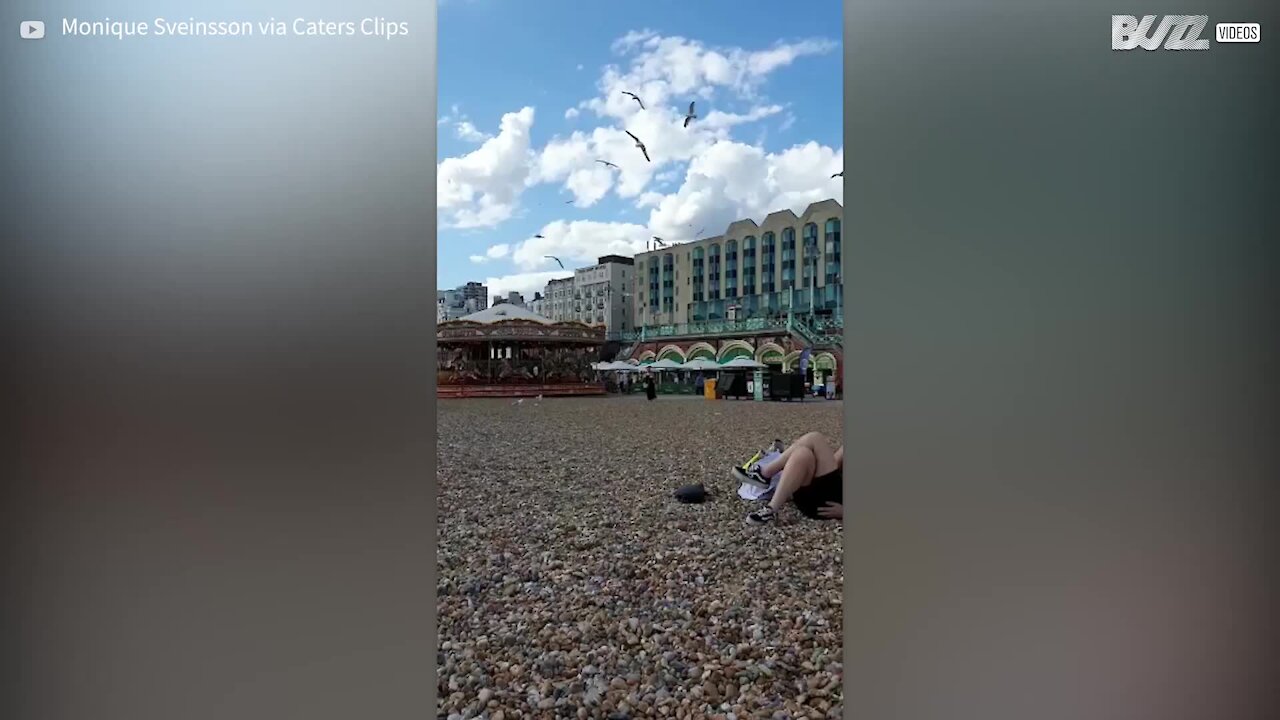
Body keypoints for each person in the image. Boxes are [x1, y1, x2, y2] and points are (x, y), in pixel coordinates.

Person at [732, 433, 843, 525]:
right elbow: (836, 463)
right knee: (803, 453)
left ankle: (765, 475)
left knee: (815, 439)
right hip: (821, 492)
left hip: (828, 504)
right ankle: (771, 508)